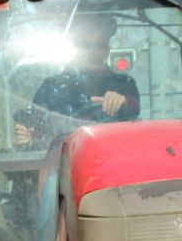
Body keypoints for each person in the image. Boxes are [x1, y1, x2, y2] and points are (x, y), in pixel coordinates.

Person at [13, 12, 139, 150]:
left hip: (112, 164)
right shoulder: (50, 88)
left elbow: (135, 128)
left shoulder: (123, 85)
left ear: (107, 51)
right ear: (75, 49)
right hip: (61, 167)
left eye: (99, 45)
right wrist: (27, 139)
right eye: (85, 45)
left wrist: (122, 104)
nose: (92, 51)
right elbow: (36, 134)